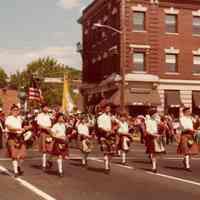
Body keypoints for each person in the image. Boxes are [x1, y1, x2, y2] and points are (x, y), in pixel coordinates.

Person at [5, 104, 31, 177]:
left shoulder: (20, 118)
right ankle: (16, 172)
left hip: (20, 137)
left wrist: (27, 127)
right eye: (14, 110)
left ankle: (18, 167)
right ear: (11, 111)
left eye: (17, 110)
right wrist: (18, 129)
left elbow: (25, 125)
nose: (16, 112)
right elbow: (9, 127)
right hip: (12, 137)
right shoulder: (9, 118)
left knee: (23, 155)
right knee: (14, 156)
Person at [177, 107, 199, 171]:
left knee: (191, 151)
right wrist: (191, 129)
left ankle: (185, 160)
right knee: (186, 151)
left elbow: (195, 125)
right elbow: (184, 127)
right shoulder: (182, 119)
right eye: (188, 111)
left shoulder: (191, 119)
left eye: (189, 111)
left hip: (191, 135)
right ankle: (187, 166)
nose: (189, 112)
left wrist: (196, 124)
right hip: (185, 135)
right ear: (184, 112)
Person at [97, 105, 117, 174]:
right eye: (107, 108)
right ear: (104, 109)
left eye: (109, 108)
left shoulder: (111, 117)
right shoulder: (100, 117)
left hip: (110, 136)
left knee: (112, 152)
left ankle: (108, 162)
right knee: (105, 152)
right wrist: (107, 131)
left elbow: (118, 124)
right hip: (103, 135)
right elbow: (100, 127)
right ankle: (106, 167)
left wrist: (113, 129)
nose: (108, 110)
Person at [145, 108, 165, 173]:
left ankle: (153, 163)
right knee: (153, 152)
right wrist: (153, 135)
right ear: (152, 114)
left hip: (156, 137)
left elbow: (161, 128)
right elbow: (147, 131)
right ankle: (154, 167)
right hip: (151, 137)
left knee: (156, 153)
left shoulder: (157, 121)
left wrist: (162, 127)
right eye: (155, 114)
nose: (156, 115)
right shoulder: (148, 121)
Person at [36, 104, 53, 172]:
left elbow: (52, 123)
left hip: (49, 133)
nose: (46, 108)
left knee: (51, 148)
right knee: (44, 150)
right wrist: (46, 128)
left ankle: (49, 160)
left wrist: (50, 129)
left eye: (47, 107)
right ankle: (44, 165)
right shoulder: (40, 115)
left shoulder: (49, 115)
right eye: (45, 107)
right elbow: (39, 124)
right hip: (43, 132)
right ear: (42, 108)